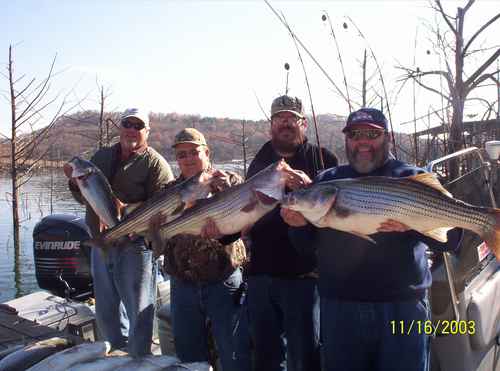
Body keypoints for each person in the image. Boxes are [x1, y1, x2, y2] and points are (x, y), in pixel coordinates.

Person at [281, 107, 461, 371]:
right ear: (346, 140)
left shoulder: (412, 177)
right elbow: (307, 249)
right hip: (340, 310)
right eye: (355, 134)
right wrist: (296, 226)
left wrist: (412, 225)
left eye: (371, 134)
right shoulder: (326, 181)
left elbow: (452, 239)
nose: (362, 141)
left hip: (404, 309)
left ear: (387, 138)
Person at [64, 108, 174, 356]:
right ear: (119, 127)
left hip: (135, 247)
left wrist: (131, 223)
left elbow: (163, 208)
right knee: (106, 308)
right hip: (101, 242)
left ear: (147, 131)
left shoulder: (156, 164)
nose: (132, 130)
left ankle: (139, 358)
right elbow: (84, 199)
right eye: (128, 123)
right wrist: (74, 182)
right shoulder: (101, 157)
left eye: (138, 126)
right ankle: (115, 355)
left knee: (138, 309)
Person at [246, 95, 338, 371]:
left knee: (305, 357)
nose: (285, 124)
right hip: (261, 275)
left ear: (304, 124)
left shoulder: (324, 159)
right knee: (264, 356)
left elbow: (334, 215)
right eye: (279, 119)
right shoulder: (260, 161)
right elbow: (249, 212)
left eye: (291, 119)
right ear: (271, 125)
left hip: (304, 278)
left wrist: (305, 189)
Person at [149, 128, 252, 371]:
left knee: (233, 353)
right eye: (181, 154)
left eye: (193, 152)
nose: (187, 159)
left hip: (224, 281)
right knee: (189, 356)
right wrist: (154, 233)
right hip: (182, 285)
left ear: (206, 152)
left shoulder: (230, 180)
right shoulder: (168, 192)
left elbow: (247, 212)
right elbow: (155, 241)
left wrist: (223, 191)